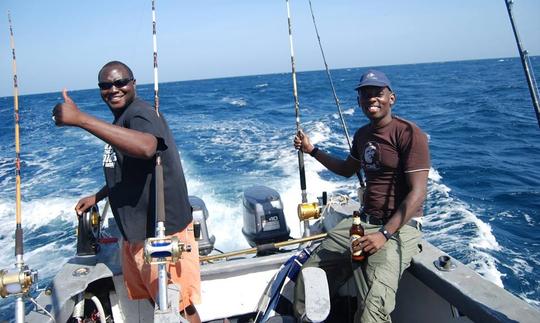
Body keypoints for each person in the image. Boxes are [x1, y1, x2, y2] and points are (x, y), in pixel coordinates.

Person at [52, 61, 201, 322]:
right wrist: (97, 197)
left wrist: (81, 119)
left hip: (161, 233)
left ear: (133, 83)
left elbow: (146, 147)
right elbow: (128, 171)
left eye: (120, 82)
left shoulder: (140, 113)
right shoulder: (121, 120)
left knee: (177, 306)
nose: (113, 89)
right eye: (106, 85)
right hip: (136, 232)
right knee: (159, 301)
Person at [293, 69, 430, 322]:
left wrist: (384, 234)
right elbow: (347, 169)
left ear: (392, 98)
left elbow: (418, 193)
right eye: (365, 94)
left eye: (378, 93)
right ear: (359, 102)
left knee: (372, 310)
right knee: (310, 273)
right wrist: (312, 150)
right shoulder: (362, 135)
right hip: (363, 222)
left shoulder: (410, 134)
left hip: (398, 228)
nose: (371, 99)